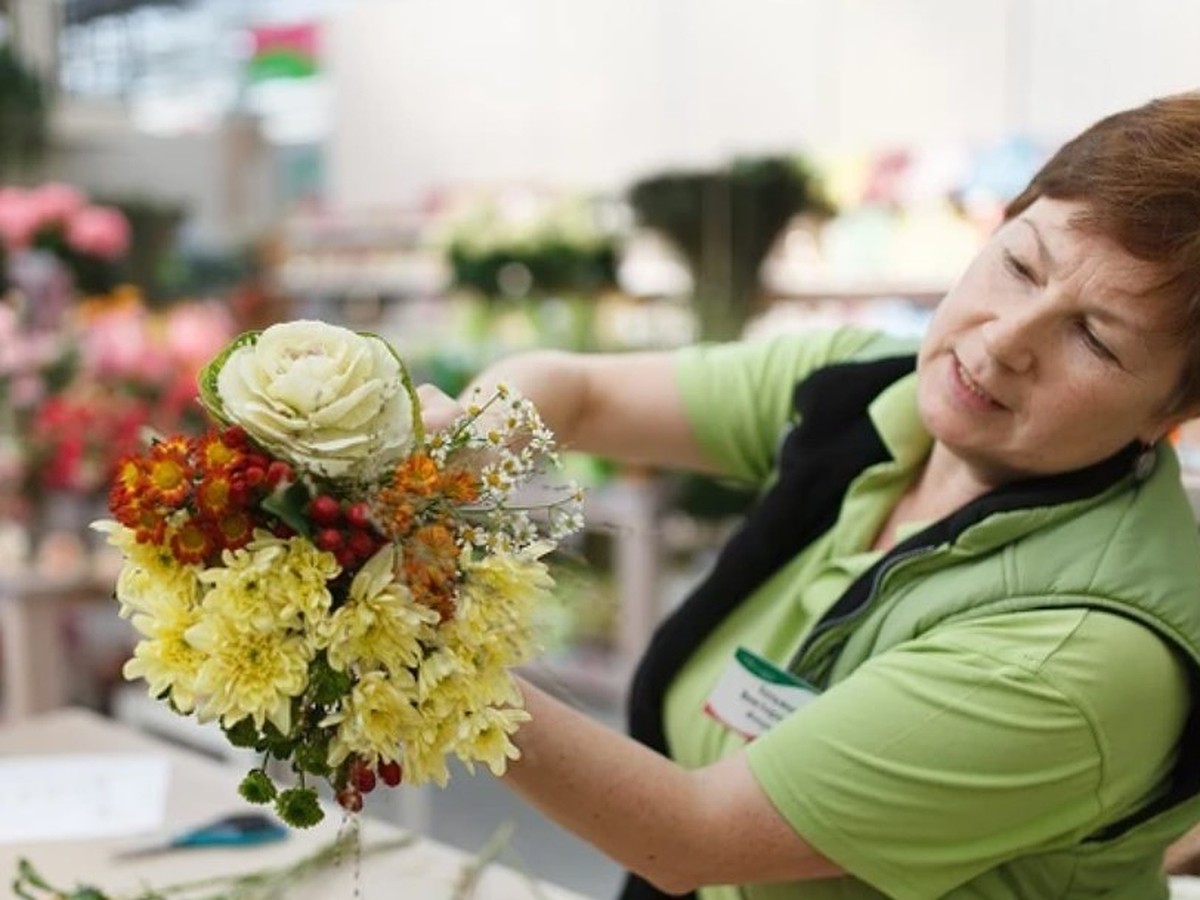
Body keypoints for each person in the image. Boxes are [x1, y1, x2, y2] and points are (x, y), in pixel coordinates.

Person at [418, 92, 1200, 899]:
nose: (1003, 343)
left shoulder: (1073, 658)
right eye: (1019, 265)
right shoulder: (873, 388)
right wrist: (470, 446)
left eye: (1094, 338)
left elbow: (694, 836)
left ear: (1171, 412)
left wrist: (420, 659)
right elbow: (578, 392)